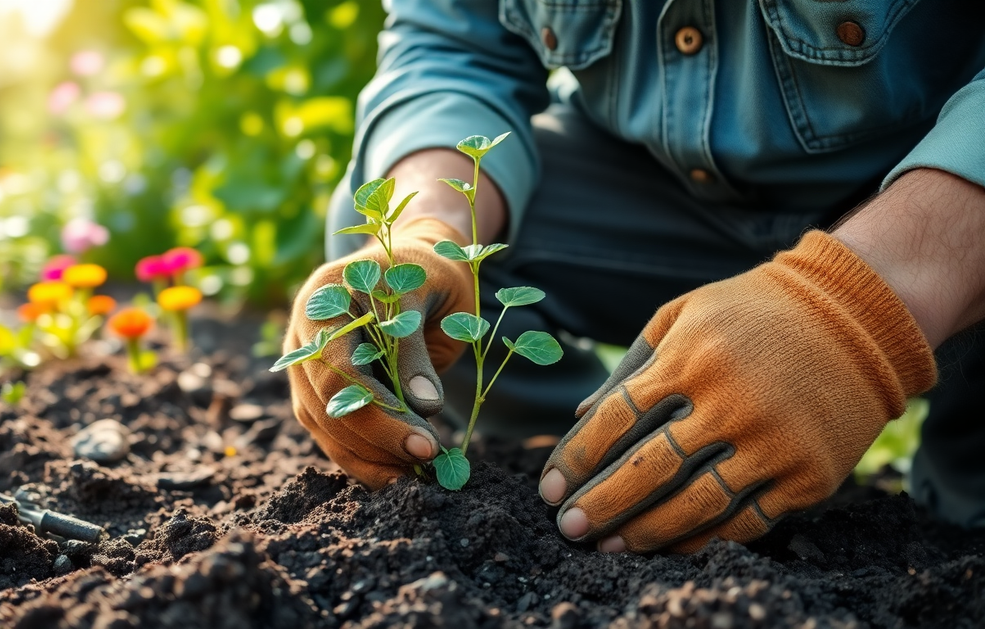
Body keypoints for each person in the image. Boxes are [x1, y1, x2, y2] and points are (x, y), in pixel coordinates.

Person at [283, 0, 985, 553]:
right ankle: (583, 465)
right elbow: (451, 47)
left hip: (934, 203)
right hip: (654, 194)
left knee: (963, 534)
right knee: (384, 229)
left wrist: (854, 312)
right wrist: (430, 228)